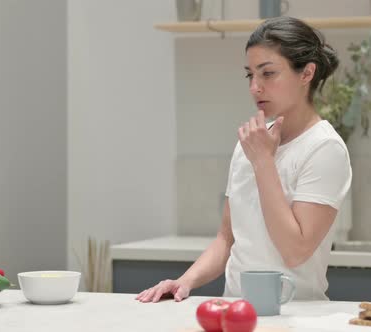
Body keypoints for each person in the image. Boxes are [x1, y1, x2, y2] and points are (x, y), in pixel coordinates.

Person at [136, 16, 352, 303]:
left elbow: (295, 251)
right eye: (250, 75)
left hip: (295, 316)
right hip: (235, 311)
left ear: (306, 73)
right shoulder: (252, 143)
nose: (255, 87)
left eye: (268, 73)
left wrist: (263, 162)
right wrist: (184, 281)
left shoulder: (324, 148)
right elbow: (227, 239)